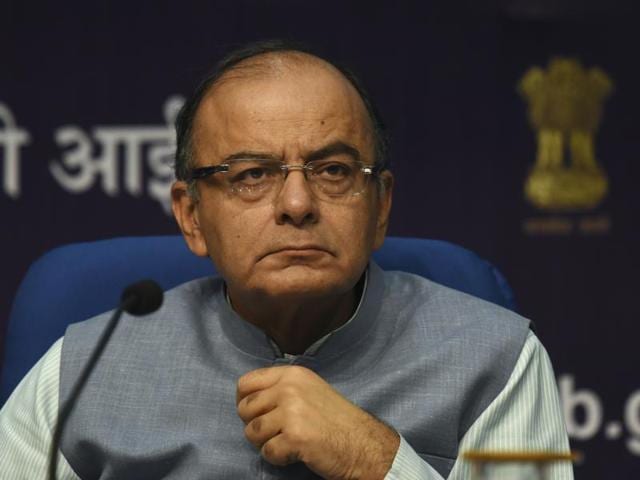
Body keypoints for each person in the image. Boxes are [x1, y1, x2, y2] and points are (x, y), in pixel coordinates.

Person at [0, 41, 573, 479]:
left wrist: (373, 459)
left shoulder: (498, 361)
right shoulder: (80, 373)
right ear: (191, 216)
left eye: (333, 171)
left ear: (380, 207)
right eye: (251, 175)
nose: (297, 204)